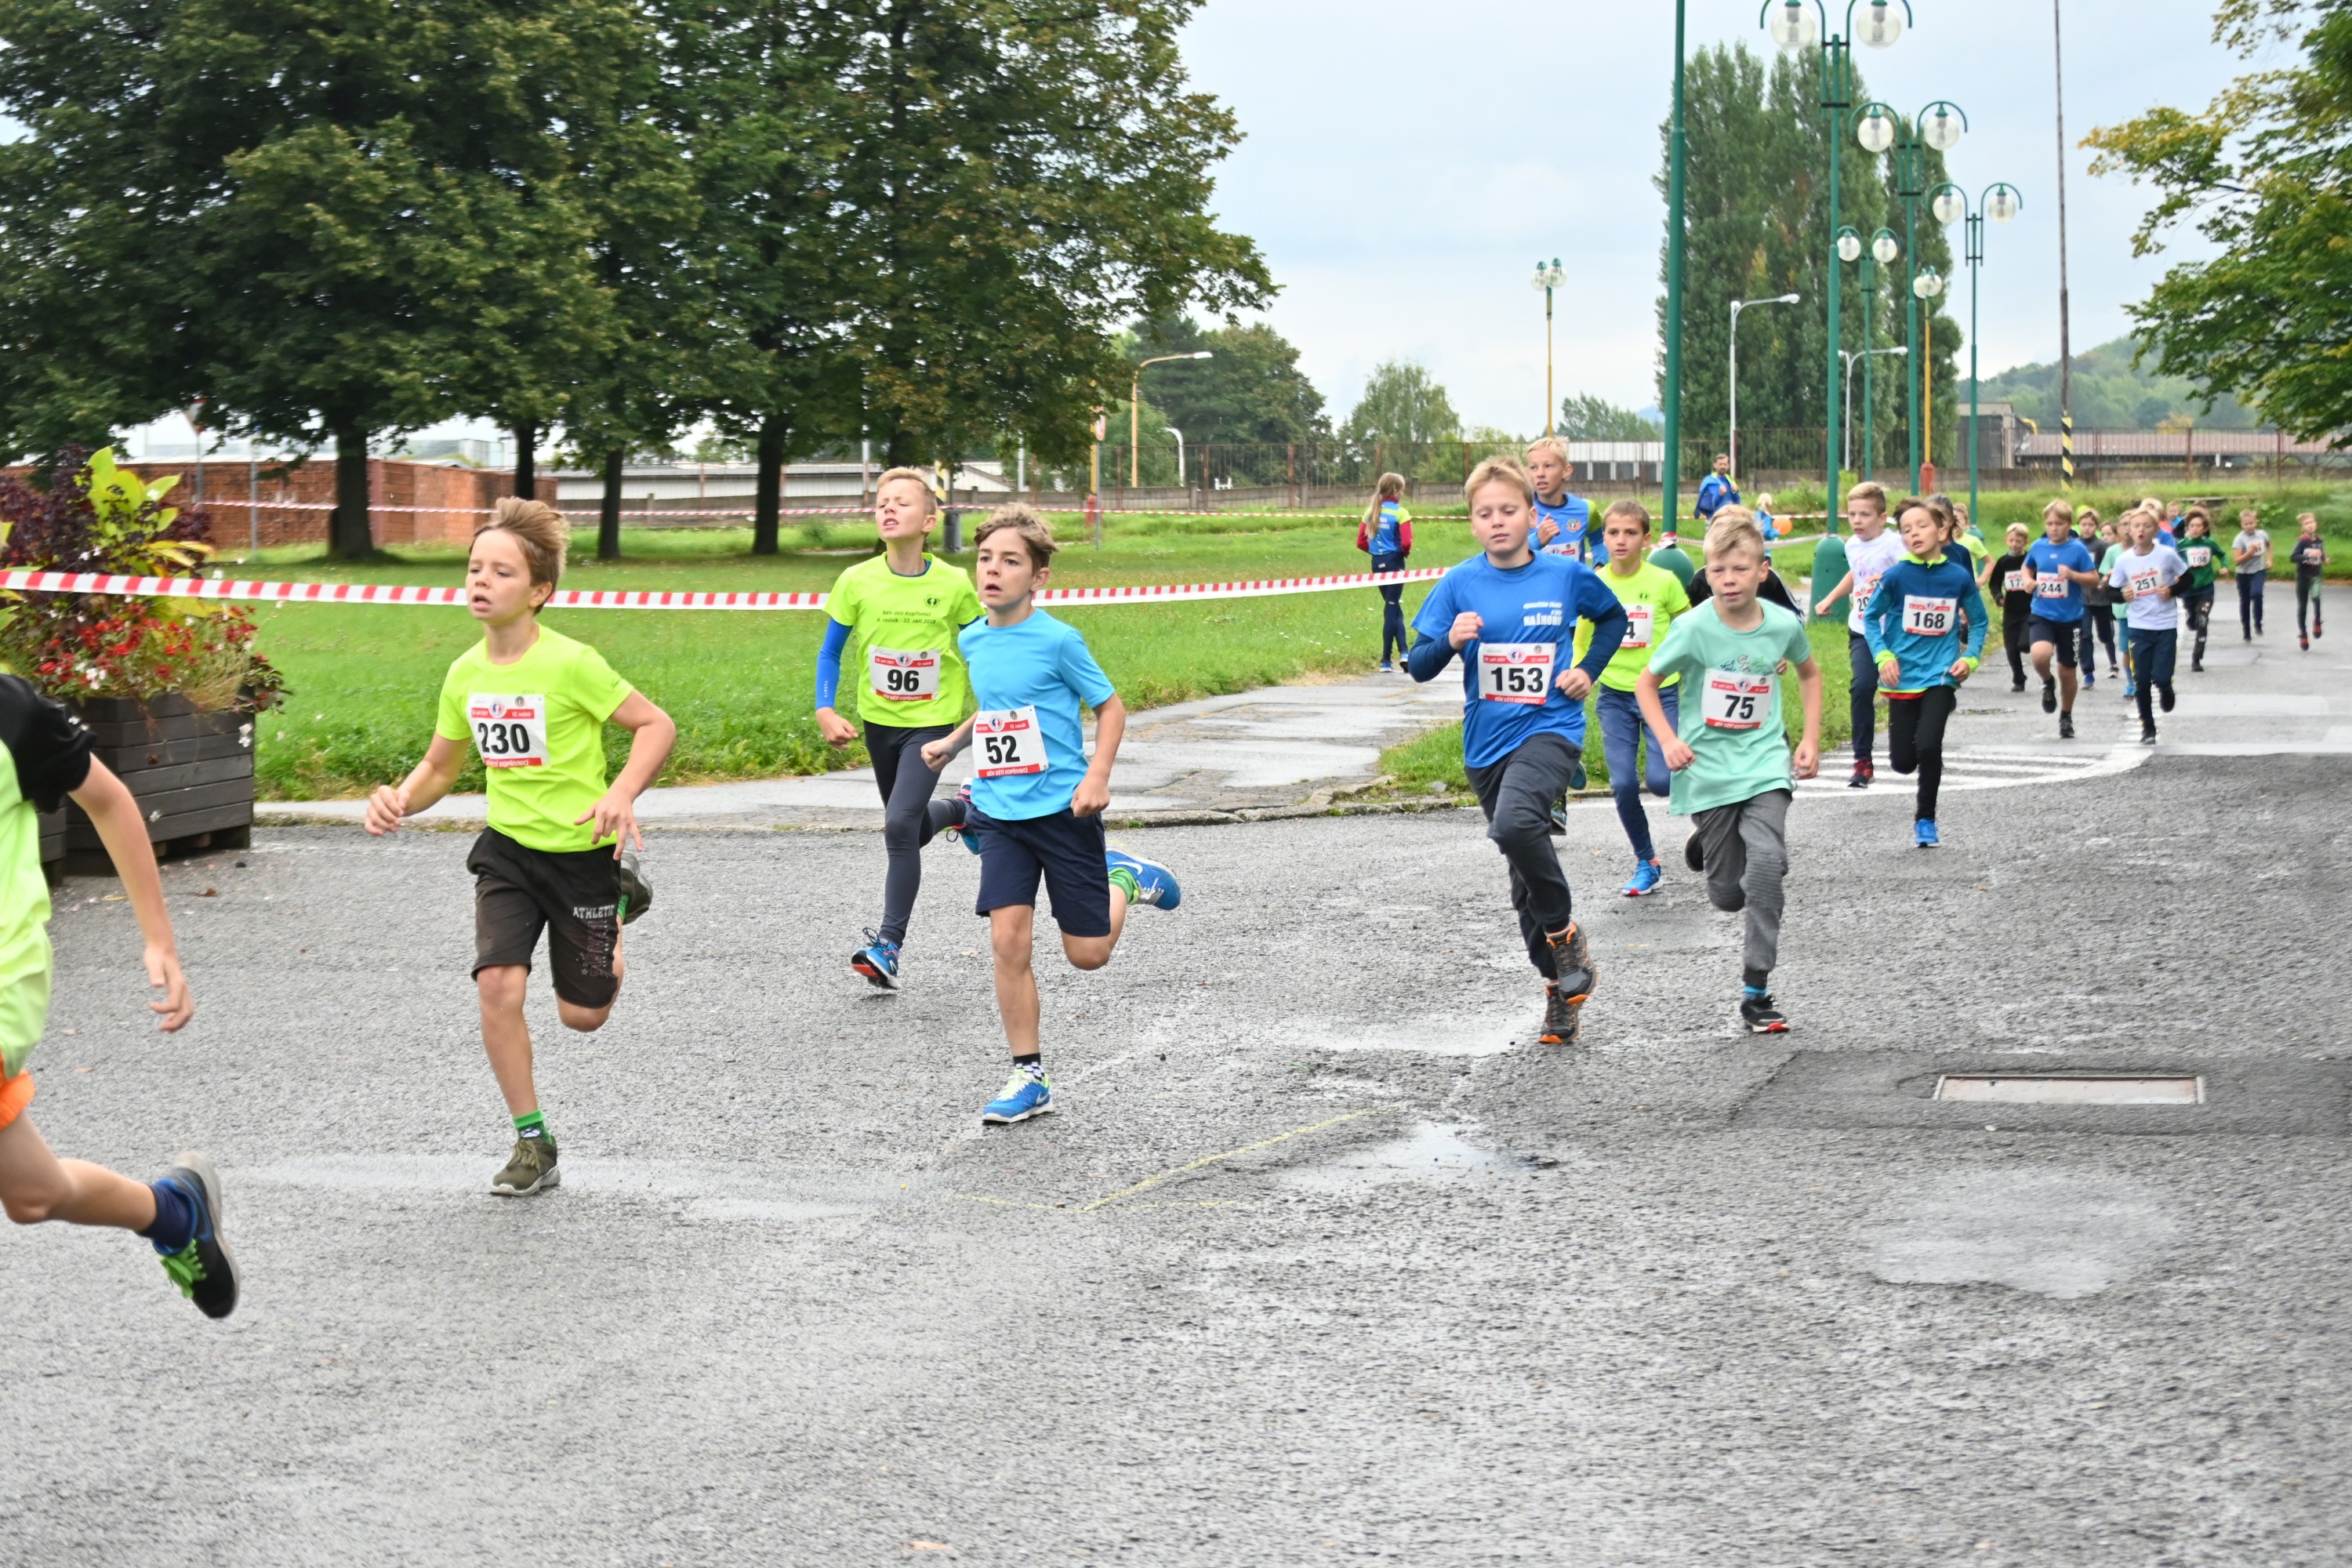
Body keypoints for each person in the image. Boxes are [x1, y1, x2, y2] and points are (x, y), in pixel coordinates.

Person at [366, 498, 677, 1196]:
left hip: (581, 854)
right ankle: (532, 1140)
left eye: (501, 572)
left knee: (583, 1016)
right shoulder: (465, 674)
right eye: (474, 567)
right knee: (498, 985)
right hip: (507, 852)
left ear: (539, 591)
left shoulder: (572, 664)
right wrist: (401, 798)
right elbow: (440, 767)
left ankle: (617, 905)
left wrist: (622, 792)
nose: (481, 580)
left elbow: (656, 726)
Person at [917, 506, 1178, 1127]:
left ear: (1038, 578)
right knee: (1007, 940)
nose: (993, 570)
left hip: (1064, 811)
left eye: (1010, 561)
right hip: (1000, 812)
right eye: (986, 559)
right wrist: (953, 743)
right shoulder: (973, 638)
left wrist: (1097, 776)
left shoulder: (1059, 640)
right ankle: (1028, 1075)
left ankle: (1125, 879)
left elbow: (1111, 709)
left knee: (1088, 954)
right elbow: (998, 707)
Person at [0, 677, 230, 1316]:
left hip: (3, 977)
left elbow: (107, 800)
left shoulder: (11, 714)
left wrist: (160, 941)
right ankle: (174, 1211)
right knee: (34, 1195)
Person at [1409, 456, 1627, 1048]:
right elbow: (1418, 666)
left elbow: (1612, 618)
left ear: (1533, 516)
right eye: (1485, 513)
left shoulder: (1564, 575)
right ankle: (1559, 989)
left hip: (1551, 728)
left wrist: (1587, 669)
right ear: (1472, 523)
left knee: (1513, 826)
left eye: (1509, 510)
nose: (1498, 521)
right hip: (1487, 745)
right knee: (1522, 877)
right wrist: (1450, 640)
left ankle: (1565, 934)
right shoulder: (1459, 583)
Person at [1635, 510, 1822, 1033]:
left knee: (1766, 866)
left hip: (1765, 764)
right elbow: (1647, 684)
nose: (1729, 580)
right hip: (1708, 772)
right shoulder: (1693, 628)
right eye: (1718, 571)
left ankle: (1756, 990)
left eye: (1740, 569)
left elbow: (1810, 674)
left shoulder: (1782, 625)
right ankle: (1708, 843)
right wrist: (1668, 740)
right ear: (1707, 573)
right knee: (1727, 896)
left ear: (1763, 570)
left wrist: (1809, 739)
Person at [815, 467, 985, 990]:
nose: (888, 508)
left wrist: (997, 696)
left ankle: (887, 946)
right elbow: (830, 652)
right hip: (878, 723)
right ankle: (961, 811)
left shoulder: (953, 583)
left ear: (929, 521)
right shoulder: (856, 580)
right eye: (881, 502)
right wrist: (825, 709)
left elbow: (983, 648)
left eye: (902, 502)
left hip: (932, 726)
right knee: (907, 827)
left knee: (897, 826)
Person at [1570, 499, 1691, 897]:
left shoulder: (1664, 582)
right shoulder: (1595, 583)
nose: (1621, 540)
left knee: (1662, 781)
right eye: (1613, 532)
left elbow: (1690, 629)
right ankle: (1647, 862)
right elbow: (1583, 639)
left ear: (1646, 539)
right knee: (1623, 783)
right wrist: (1579, 674)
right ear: (1603, 538)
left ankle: (1711, 818)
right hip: (1614, 695)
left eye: (1630, 533)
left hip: (1661, 691)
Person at [1863, 498, 1987, 848]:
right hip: (1902, 676)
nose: (1913, 534)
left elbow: (1979, 622)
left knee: (1929, 745)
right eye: (1906, 530)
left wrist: (1971, 658)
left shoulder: (1958, 577)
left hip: (1942, 674)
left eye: (1922, 526)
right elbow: (1870, 618)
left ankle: (1926, 819)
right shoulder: (1897, 576)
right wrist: (1883, 655)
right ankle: (1915, 760)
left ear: (1941, 531)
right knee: (1903, 762)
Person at [1807, 481, 1902, 789]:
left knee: (1901, 690)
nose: (1857, 521)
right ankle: (1862, 761)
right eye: (1852, 515)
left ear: (1882, 517)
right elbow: (1856, 573)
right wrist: (1831, 598)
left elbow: (1911, 572)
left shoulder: (1894, 544)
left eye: (1865, 515)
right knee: (1861, 688)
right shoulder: (1851, 546)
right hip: (1862, 628)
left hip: (1895, 630)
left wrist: (1887, 578)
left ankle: (1913, 741)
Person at [2022, 497, 2101, 740]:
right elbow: (2027, 567)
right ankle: (2047, 682)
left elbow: (2094, 579)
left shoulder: (2077, 549)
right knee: (2040, 655)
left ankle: (2066, 716)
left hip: (2071, 619)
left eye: (2059, 524)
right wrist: (2028, 580)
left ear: (2069, 525)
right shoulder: (2038, 546)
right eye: (2049, 524)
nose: (2053, 528)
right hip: (2042, 614)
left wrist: (2073, 575)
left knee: (2067, 672)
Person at [2111, 508, 2185, 743]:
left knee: (2161, 676)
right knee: (2141, 680)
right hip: (2139, 626)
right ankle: (2148, 728)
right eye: (2136, 526)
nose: (2141, 530)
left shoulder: (2167, 555)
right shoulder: (2124, 560)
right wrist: (2123, 595)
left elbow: (2188, 579)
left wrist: (2172, 590)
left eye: (2147, 526)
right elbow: (2111, 592)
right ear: (2129, 531)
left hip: (2165, 624)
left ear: (2155, 530)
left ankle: (2166, 688)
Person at [1355, 471, 1414, 670]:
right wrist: (1402, 554)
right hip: (1395, 562)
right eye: (1402, 490)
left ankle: (1404, 653)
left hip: (1377, 563)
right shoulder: (1401, 513)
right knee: (1391, 608)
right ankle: (1386, 660)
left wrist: (1376, 552)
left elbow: (1361, 542)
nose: (1402, 494)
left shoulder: (1370, 512)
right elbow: (1406, 542)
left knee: (1394, 607)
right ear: (1395, 491)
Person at [1527, 437, 1592, 562]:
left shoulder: (1585, 509)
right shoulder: (1518, 511)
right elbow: (1504, 557)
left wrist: (1599, 565)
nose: (1540, 474)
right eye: (1533, 467)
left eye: (1548, 466)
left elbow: (1599, 541)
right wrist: (1536, 541)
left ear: (1566, 471)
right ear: (1527, 473)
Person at [1988, 523, 2034, 691]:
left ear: (2026, 542)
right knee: (2011, 648)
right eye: (2012, 540)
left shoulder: (2030, 561)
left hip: (2030, 609)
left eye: (2018, 541)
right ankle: (2019, 678)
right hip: (2011, 610)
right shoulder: (2003, 562)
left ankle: (2037, 644)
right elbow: (1994, 584)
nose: (2014, 544)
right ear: (2006, 540)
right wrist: (1998, 596)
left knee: (2024, 644)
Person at [2077, 507, 2119, 686]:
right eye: (2083, 524)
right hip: (2081, 598)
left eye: (2090, 525)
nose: (2086, 528)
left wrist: (2106, 582)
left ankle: (2113, 663)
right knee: (2085, 634)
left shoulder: (2103, 546)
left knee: (2105, 634)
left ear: (2096, 527)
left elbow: (2110, 568)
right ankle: (2088, 672)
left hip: (2101, 597)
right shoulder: (2075, 546)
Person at [2176, 506, 2220, 671]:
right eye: (2192, 526)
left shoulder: (2209, 543)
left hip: (2206, 589)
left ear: (2204, 528)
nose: (2195, 529)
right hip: (2188, 590)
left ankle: (2196, 658)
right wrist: (2176, 574)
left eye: (2198, 526)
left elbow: (2222, 554)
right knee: (2193, 620)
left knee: (2202, 620)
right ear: (2188, 528)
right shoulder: (2182, 545)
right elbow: (2173, 561)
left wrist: (2224, 566)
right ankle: (2190, 617)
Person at [2232, 507, 2273, 639]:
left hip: (2258, 570)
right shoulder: (2239, 539)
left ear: (2256, 522)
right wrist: (2249, 553)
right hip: (2243, 574)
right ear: (2242, 525)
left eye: (2251, 523)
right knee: (2245, 601)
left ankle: (2258, 622)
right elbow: (2237, 561)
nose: (2249, 526)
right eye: (2246, 524)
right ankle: (2246, 629)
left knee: (2257, 594)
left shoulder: (2262, 535)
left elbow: (2269, 545)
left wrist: (2269, 560)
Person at [2292, 511, 2327, 650]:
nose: (2310, 525)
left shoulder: (2319, 540)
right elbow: (2293, 557)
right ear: (2302, 528)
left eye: (2311, 522)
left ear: (2316, 524)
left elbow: (2321, 553)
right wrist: (2307, 557)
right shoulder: (2302, 542)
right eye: (2306, 524)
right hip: (2303, 577)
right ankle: (2303, 633)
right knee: (2303, 606)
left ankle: (2317, 621)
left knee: (2317, 599)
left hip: (2316, 576)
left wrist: (2324, 558)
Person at [1694, 453, 1739, 531]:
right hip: (1714, 521)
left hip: (1729, 522)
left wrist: (1735, 493)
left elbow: (1737, 503)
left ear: (1728, 466)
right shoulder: (1709, 481)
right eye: (1720, 464)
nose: (1723, 466)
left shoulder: (1730, 480)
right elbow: (1709, 505)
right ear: (1715, 465)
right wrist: (1719, 494)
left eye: (1725, 464)